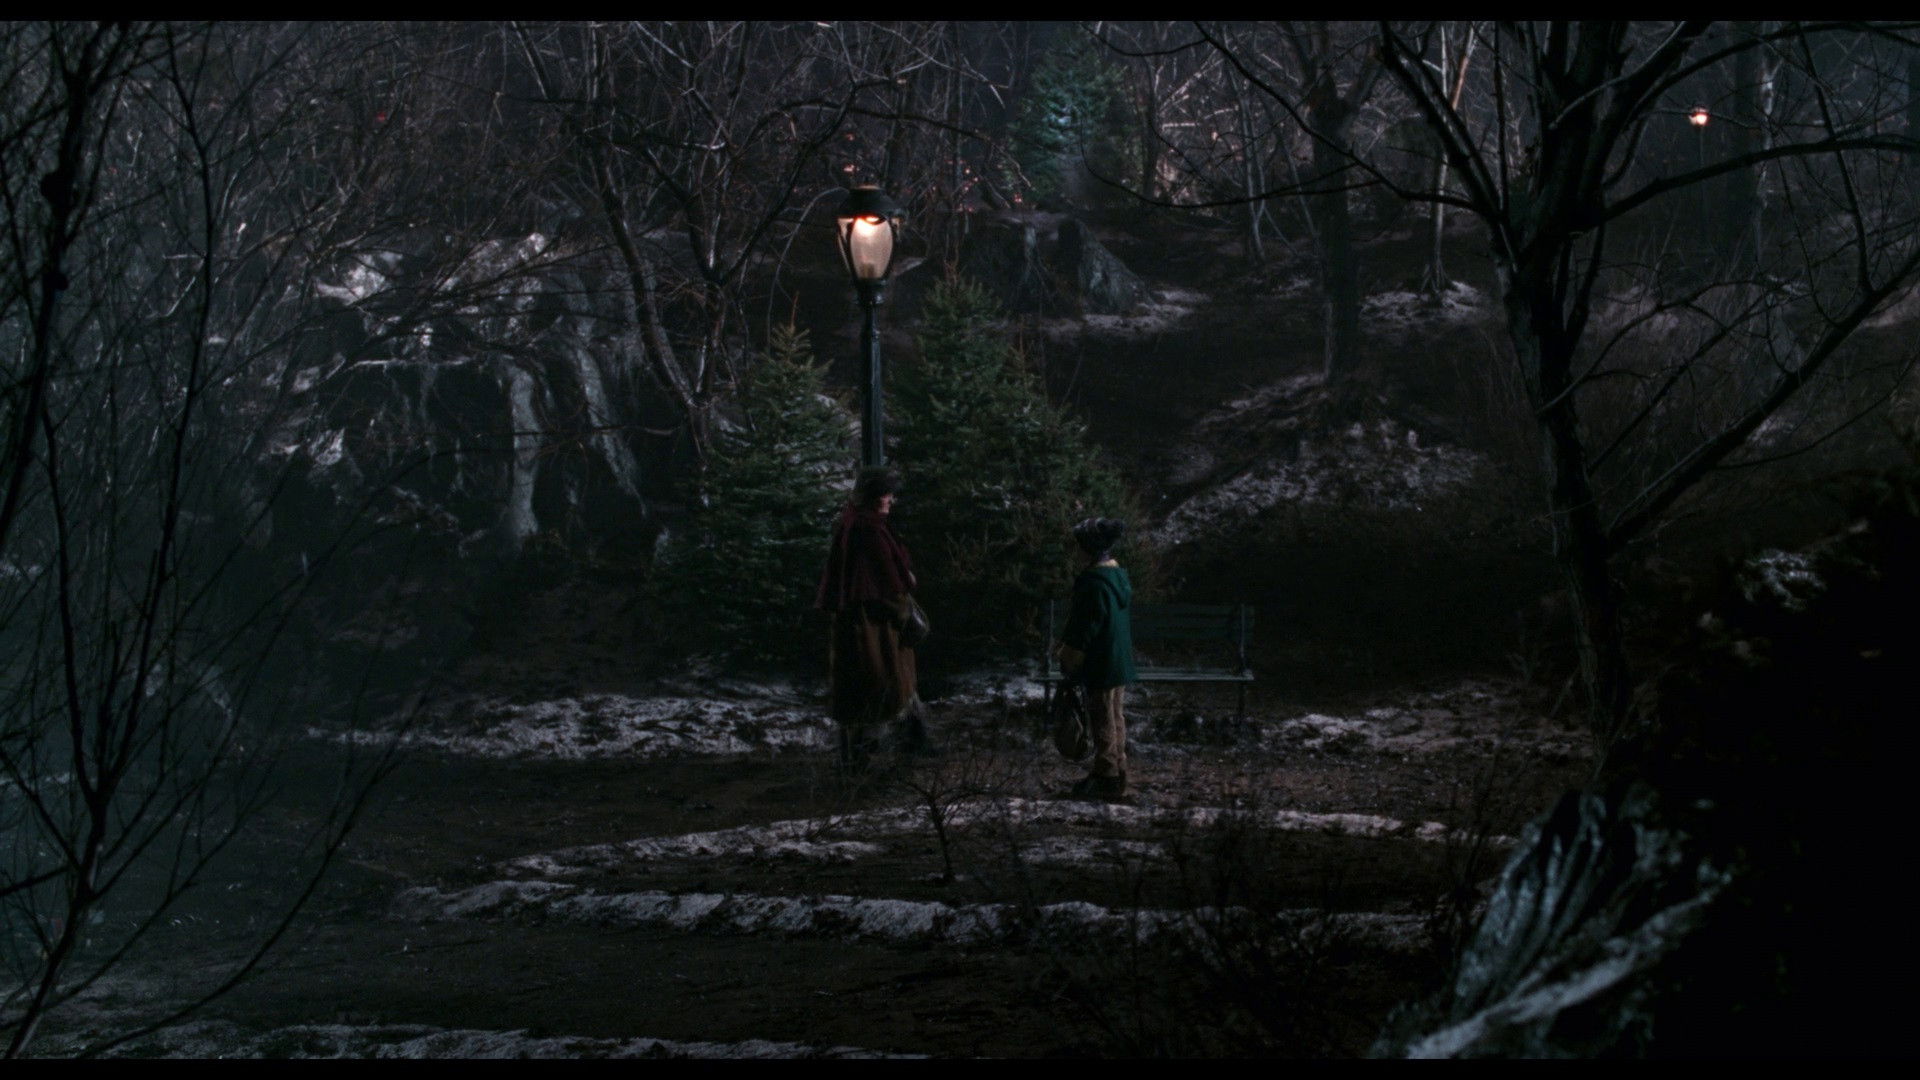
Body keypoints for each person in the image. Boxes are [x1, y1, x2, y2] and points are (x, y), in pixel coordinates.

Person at [814, 467, 934, 769]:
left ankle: (883, 749)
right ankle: (875, 755)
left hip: (862, 622)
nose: (890, 499)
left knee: (872, 690)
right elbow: (886, 583)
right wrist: (903, 611)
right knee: (881, 687)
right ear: (872, 497)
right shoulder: (868, 530)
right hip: (873, 627)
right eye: (885, 494)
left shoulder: (854, 522)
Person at [1055, 517, 1136, 800]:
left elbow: (1083, 627)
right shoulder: (1116, 578)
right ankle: (1117, 768)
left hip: (1101, 660)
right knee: (1115, 715)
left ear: (1088, 548)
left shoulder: (1093, 583)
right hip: (1117, 659)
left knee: (1102, 718)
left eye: (1078, 546)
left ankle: (1106, 776)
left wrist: (1068, 657)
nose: (1075, 551)